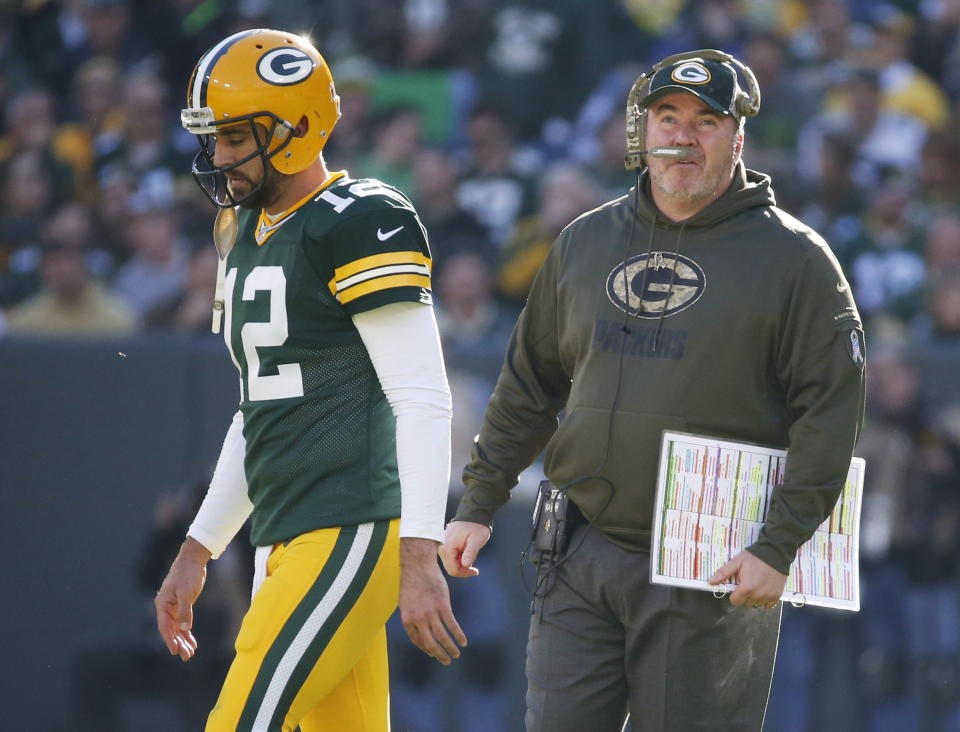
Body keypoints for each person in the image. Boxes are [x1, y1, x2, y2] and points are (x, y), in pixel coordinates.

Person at [440, 49, 866, 732]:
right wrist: (479, 501)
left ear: (738, 135)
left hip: (714, 563)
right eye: (667, 117)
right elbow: (529, 383)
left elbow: (830, 417)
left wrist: (778, 545)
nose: (682, 136)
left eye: (706, 120)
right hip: (580, 552)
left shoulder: (799, 261)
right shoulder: (582, 241)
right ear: (644, 129)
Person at [153, 29, 465, 732]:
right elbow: (257, 406)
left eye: (236, 137)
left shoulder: (360, 220)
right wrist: (200, 545)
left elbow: (420, 395)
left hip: (350, 520)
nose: (220, 156)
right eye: (216, 138)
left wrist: (420, 552)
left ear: (297, 127)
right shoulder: (244, 230)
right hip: (288, 528)